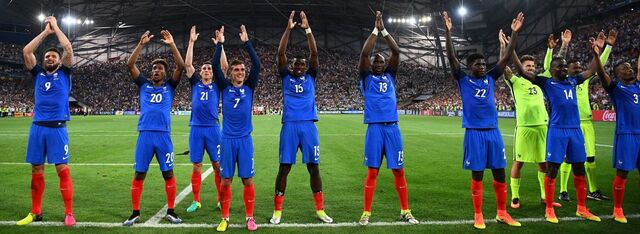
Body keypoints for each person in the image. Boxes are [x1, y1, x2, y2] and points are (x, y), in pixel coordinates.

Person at [443, 11, 524, 229]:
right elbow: (451, 58)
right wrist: (448, 33)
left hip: (493, 132)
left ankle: (502, 213)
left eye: (482, 63)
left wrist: (514, 34)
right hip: (474, 133)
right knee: (477, 175)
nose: (481, 66)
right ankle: (478, 214)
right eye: (477, 64)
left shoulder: (490, 78)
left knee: (499, 172)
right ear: (470, 68)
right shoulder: (463, 80)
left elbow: (505, 58)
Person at [513, 37, 602, 224]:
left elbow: (592, 70)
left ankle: (582, 208)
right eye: (560, 67)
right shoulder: (545, 83)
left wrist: (597, 52)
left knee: (579, 168)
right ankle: (549, 208)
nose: (563, 69)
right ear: (552, 70)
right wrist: (512, 44)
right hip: (557, 131)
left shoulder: (572, 81)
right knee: (552, 169)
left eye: (564, 66)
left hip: (575, 131)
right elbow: (521, 71)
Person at [270, 11, 332, 224]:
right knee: (284, 168)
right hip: (289, 126)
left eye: (301, 65)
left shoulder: (311, 76)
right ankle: (277, 211)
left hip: (308, 126)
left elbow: (314, 54)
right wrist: (288, 29)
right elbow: (280, 54)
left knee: (313, 167)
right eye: (296, 64)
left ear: (306, 67)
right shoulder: (285, 76)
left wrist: (308, 30)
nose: (298, 67)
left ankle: (320, 210)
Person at [357, 11, 418, 226]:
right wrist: (374, 29)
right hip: (374, 128)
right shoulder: (366, 77)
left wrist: (384, 30)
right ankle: (366, 213)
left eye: (382, 61)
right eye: (376, 61)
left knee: (399, 170)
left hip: (393, 128)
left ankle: (405, 211)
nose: (379, 62)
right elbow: (364, 54)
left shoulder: (391, 76)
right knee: (372, 172)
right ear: (372, 65)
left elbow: (396, 50)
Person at [17, 16, 76, 227]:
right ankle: (35, 212)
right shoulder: (38, 74)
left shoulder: (65, 72)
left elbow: (68, 49)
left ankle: (69, 213)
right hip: (38, 128)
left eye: (53, 56)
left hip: (57, 129)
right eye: (47, 57)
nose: (50, 58)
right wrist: (45, 33)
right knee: (36, 170)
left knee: (63, 170)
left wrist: (57, 28)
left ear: (59, 61)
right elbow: (27, 51)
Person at [122, 30, 185, 226]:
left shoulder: (170, 87)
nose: (156, 70)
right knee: (139, 173)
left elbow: (181, 66)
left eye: (160, 69)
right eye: (154, 68)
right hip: (145, 136)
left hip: (164, 137)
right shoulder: (143, 85)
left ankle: (171, 211)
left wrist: (172, 44)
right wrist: (140, 45)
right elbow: (130, 65)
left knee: (168, 173)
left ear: (165, 73)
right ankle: (135, 213)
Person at [504, 31, 568, 209]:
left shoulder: (541, 81)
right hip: (524, 127)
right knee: (519, 163)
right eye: (528, 65)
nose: (531, 68)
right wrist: (506, 47)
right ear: (521, 67)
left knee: (544, 164)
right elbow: (505, 67)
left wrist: (562, 45)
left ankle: (545, 197)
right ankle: (515, 197)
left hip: (543, 126)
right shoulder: (515, 81)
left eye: (533, 65)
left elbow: (557, 63)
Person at [212, 25, 261, 232]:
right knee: (225, 181)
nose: (240, 72)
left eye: (242, 70)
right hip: (227, 140)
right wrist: (220, 44)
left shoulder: (250, 86)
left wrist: (247, 43)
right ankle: (225, 217)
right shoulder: (225, 87)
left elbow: (256, 64)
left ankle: (250, 217)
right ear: (230, 73)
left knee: (248, 180)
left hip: (245, 140)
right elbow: (215, 66)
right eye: (236, 70)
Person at [558, 30, 616, 202]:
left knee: (590, 158)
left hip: (587, 124)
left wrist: (607, 47)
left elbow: (598, 66)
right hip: (571, 125)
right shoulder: (563, 82)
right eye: (574, 67)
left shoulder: (584, 80)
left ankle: (593, 190)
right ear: (567, 69)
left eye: (580, 68)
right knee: (569, 159)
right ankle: (562, 191)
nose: (578, 69)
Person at [183, 25, 228, 213]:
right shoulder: (195, 83)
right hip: (196, 128)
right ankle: (196, 200)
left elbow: (224, 67)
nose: (208, 70)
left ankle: (220, 199)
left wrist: (221, 45)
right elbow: (187, 65)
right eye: (205, 68)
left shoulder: (217, 84)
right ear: (200, 72)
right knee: (197, 165)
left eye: (210, 68)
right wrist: (191, 42)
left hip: (212, 128)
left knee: (218, 166)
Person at [595, 53, 640, 224]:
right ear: (618, 74)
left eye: (630, 67)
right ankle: (618, 209)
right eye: (624, 68)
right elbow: (601, 74)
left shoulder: (638, 86)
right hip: (626, 134)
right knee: (623, 173)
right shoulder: (616, 88)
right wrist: (596, 55)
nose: (629, 69)